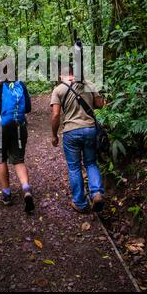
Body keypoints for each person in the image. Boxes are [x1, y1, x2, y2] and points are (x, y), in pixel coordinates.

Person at [50, 65, 105, 213]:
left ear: (62, 76)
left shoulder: (58, 89)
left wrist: (54, 135)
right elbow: (100, 104)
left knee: (74, 167)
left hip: (71, 132)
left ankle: (80, 203)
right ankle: (97, 193)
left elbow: (55, 115)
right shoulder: (89, 84)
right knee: (91, 163)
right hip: (89, 129)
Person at [0, 78, 34, 213]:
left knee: (1, 159)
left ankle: (7, 195)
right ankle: (26, 189)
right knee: (19, 160)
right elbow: (28, 108)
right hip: (19, 126)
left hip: (0, 126)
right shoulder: (20, 84)